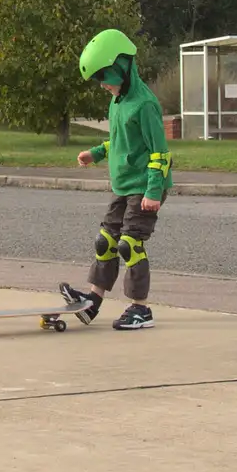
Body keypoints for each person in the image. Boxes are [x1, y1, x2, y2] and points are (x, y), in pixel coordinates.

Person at [58, 28, 172, 330]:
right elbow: (122, 142)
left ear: (121, 67)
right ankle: (93, 301)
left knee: (129, 244)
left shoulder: (144, 105)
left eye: (104, 77)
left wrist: (153, 191)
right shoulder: (119, 101)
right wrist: (95, 153)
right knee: (105, 242)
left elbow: (159, 152)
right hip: (124, 185)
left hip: (146, 186)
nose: (102, 85)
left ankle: (140, 309)